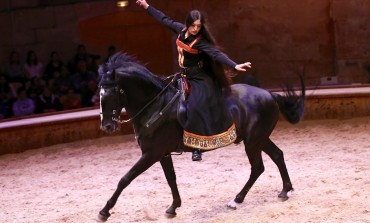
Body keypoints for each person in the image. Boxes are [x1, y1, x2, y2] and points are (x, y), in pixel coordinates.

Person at [136, 0, 252, 161]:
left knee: (195, 105)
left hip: (201, 78)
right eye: (194, 26)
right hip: (184, 76)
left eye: (199, 26)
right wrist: (147, 7)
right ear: (188, 24)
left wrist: (234, 65)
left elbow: (216, 54)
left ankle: (197, 146)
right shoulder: (180, 30)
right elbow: (164, 19)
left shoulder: (201, 42)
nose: (196, 29)